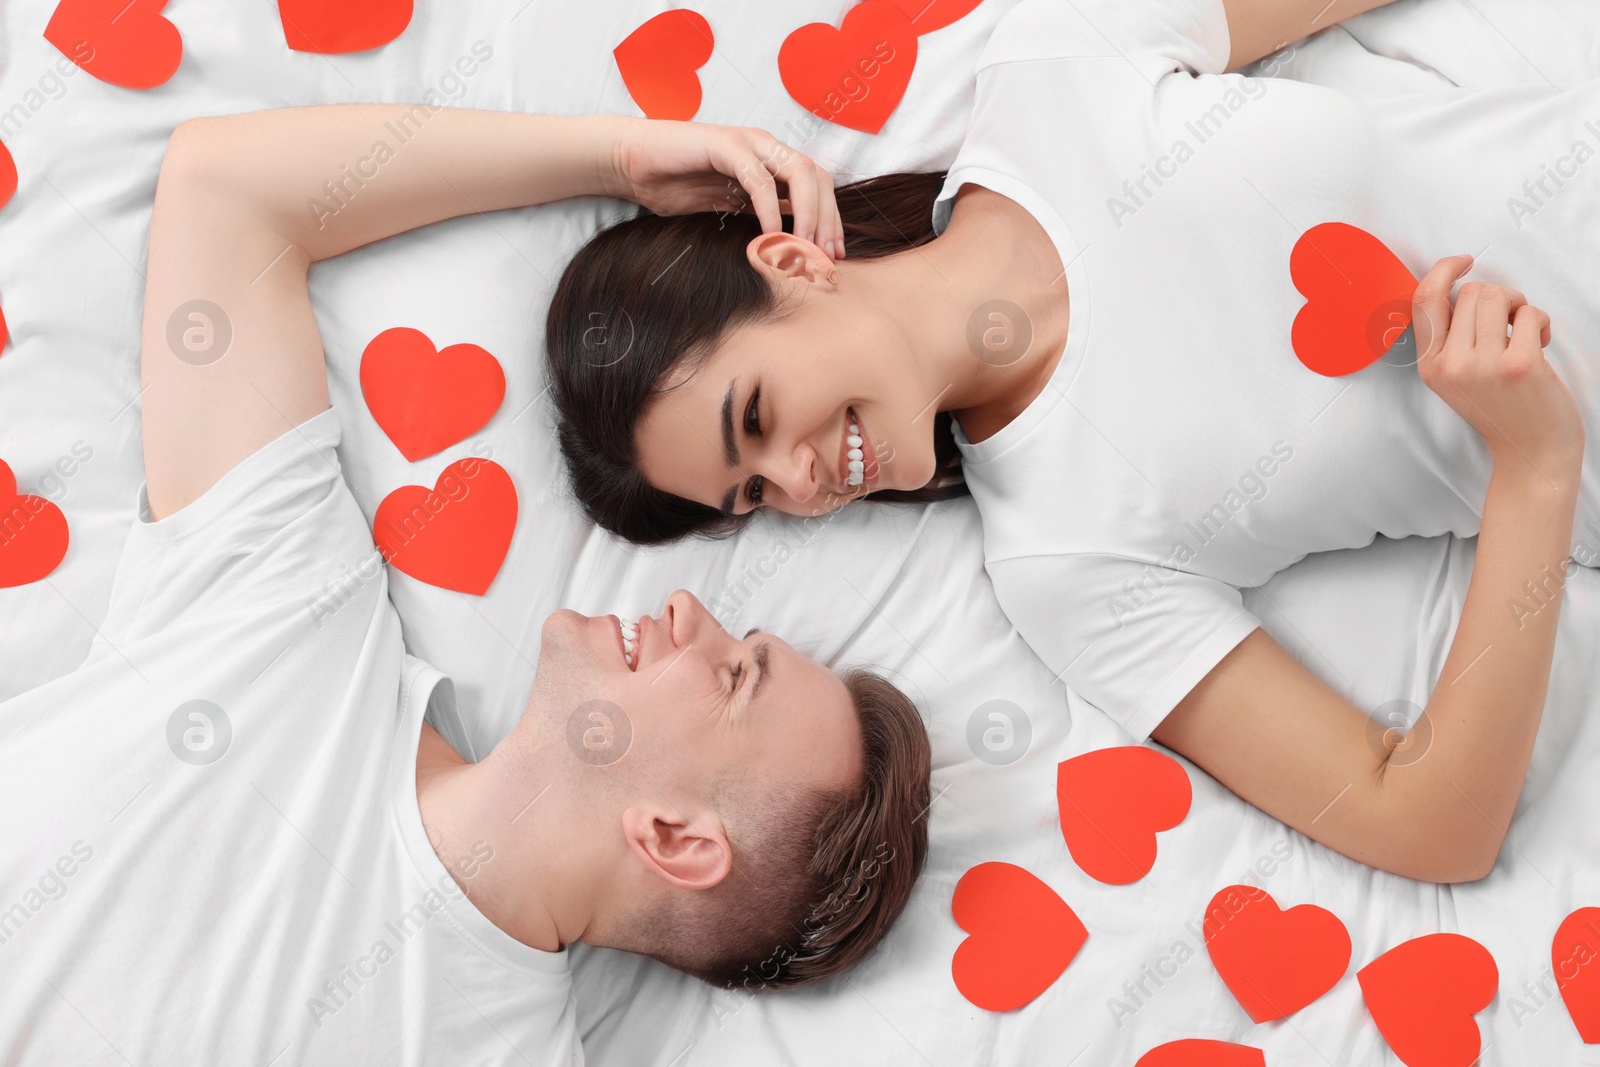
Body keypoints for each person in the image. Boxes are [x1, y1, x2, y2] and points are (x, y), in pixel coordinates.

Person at [546, 0, 1600, 884]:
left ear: (789, 260)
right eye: (752, 494)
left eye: (756, 417)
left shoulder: (1053, 74)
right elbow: (1426, 824)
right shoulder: (1066, 562)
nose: (798, 479)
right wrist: (1535, 468)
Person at [0, 106, 931, 1065]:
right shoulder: (288, 618)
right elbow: (227, 192)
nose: (693, 610)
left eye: (735, 676)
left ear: (675, 837)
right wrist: (618, 157)